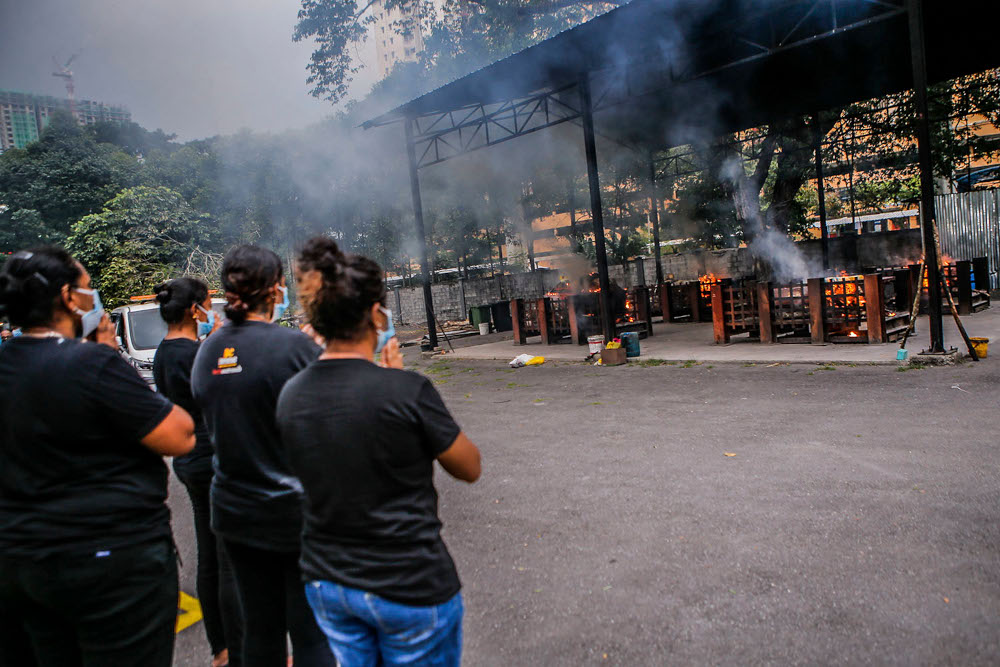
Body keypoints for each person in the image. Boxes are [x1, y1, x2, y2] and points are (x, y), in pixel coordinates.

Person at [277, 237, 482, 667]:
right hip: (408, 583)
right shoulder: (406, 390)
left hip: (327, 582)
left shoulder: (291, 394)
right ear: (375, 313)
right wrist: (398, 383)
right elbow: (468, 467)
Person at [0, 246, 195, 667]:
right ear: (69, 299)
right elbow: (178, 434)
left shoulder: (7, 362)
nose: (94, 300)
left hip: (22, 559)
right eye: (89, 290)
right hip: (108, 562)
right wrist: (109, 355)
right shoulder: (91, 364)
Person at [191, 245, 334, 667]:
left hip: (235, 512)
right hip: (297, 514)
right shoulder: (295, 347)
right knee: (311, 635)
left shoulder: (207, 352)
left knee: (260, 632)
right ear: (274, 289)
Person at [152, 278, 242, 667]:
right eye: (209, 304)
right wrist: (222, 345)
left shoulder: (162, 353)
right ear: (195, 310)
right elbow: (228, 395)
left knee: (209, 553)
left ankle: (220, 647)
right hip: (214, 458)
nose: (213, 311)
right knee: (228, 558)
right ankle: (237, 651)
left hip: (189, 461)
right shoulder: (198, 353)